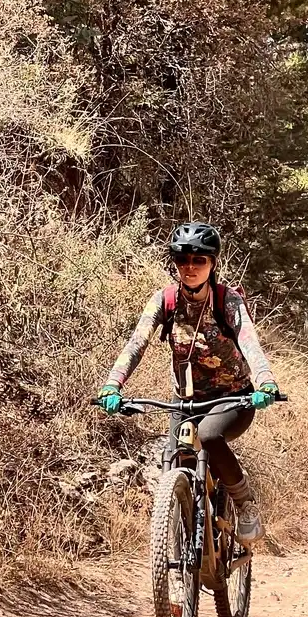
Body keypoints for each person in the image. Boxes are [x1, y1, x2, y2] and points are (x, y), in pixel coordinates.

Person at [96, 222, 279, 542]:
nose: (190, 267)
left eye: (199, 260)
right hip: (186, 400)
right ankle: (186, 540)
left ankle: (245, 503)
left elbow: (249, 342)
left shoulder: (227, 301)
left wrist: (265, 382)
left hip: (233, 398)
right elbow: (136, 343)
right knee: (175, 458)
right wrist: (113, 384)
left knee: (207, 436)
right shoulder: (165, 300)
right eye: (183, 260)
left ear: (212, 264)